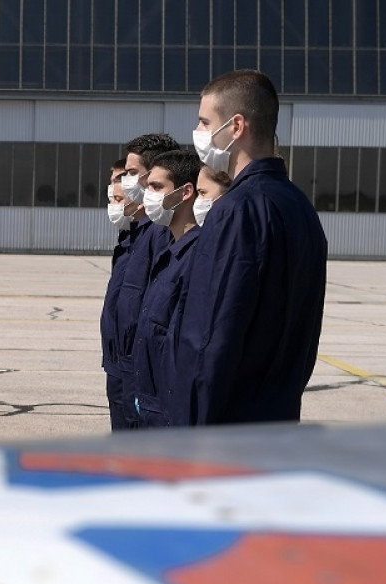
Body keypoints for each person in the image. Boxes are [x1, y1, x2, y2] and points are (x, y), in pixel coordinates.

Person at [174, 69, 328, 424]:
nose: (198, 133)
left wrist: (191, 426)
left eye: (204, 121)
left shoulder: (236, 210)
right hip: (279, 415)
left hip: (228, 424)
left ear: (236, 126)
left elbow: (211, 335)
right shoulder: (301, 208)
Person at [100, 134, 181, 431]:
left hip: (139, 367)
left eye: (132, 173)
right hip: (120, 361)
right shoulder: (133, 233)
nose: (124, 181)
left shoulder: (159, 233)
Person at [130, 149, 203, 427]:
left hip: (170, 406)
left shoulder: (196, 255)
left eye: (157, 187)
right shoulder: (168, 251)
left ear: (185, 192)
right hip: (150, 398)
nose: (149, 195)